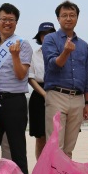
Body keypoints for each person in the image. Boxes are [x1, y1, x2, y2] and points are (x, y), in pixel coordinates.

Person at [0, 3, 32, 174]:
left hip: (15, 102)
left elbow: (21, 75)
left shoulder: (23, 45)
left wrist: (15, 56)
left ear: (16, 22)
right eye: (3, 19)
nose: (7, 22)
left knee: (17, 148)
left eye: (11, 19)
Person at [42, 0, 88, 158]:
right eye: (64, 15)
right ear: (58, 18)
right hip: (57, 95)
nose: (68, 18)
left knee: (69, 147)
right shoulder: (50, 39)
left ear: (77, 18)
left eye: (72, 15)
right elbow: (52, 65)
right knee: (55, 145)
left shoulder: (83, 45)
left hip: (77, 99)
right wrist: (65, 52)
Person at [28, 22, 55, 159]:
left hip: (58, 93)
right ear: (39, 37)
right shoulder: (33, 55)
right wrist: (44, 94)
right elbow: (30, 77)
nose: (47, 37)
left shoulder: (62, 52)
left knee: (59, 136)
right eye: (44, 34)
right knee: (41, 137)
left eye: (50, 33)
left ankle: (60, 172)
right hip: (39, 94)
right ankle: (41, 171)